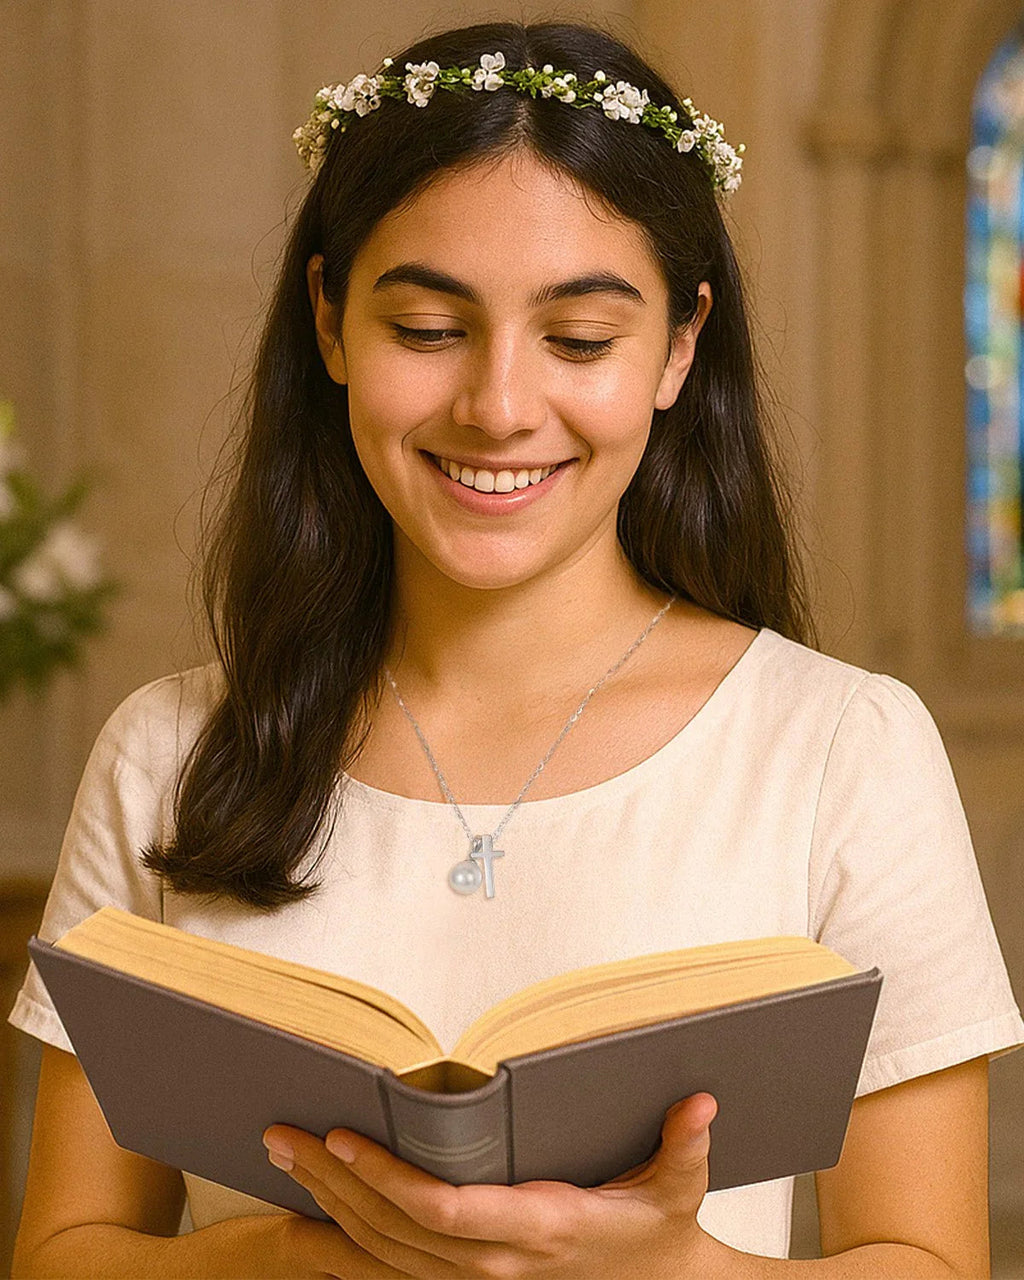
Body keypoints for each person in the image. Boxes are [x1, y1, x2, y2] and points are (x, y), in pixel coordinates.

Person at [8, 16, 1023, 1278]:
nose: (496, 404)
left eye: (580, 339)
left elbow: (930, 1260)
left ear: (680, 344)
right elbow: (60, 1254)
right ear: (328, 320)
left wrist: (668, 1266)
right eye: (427, 328)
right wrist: (293, 1252)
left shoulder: (839, 748)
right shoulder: (169, 750)